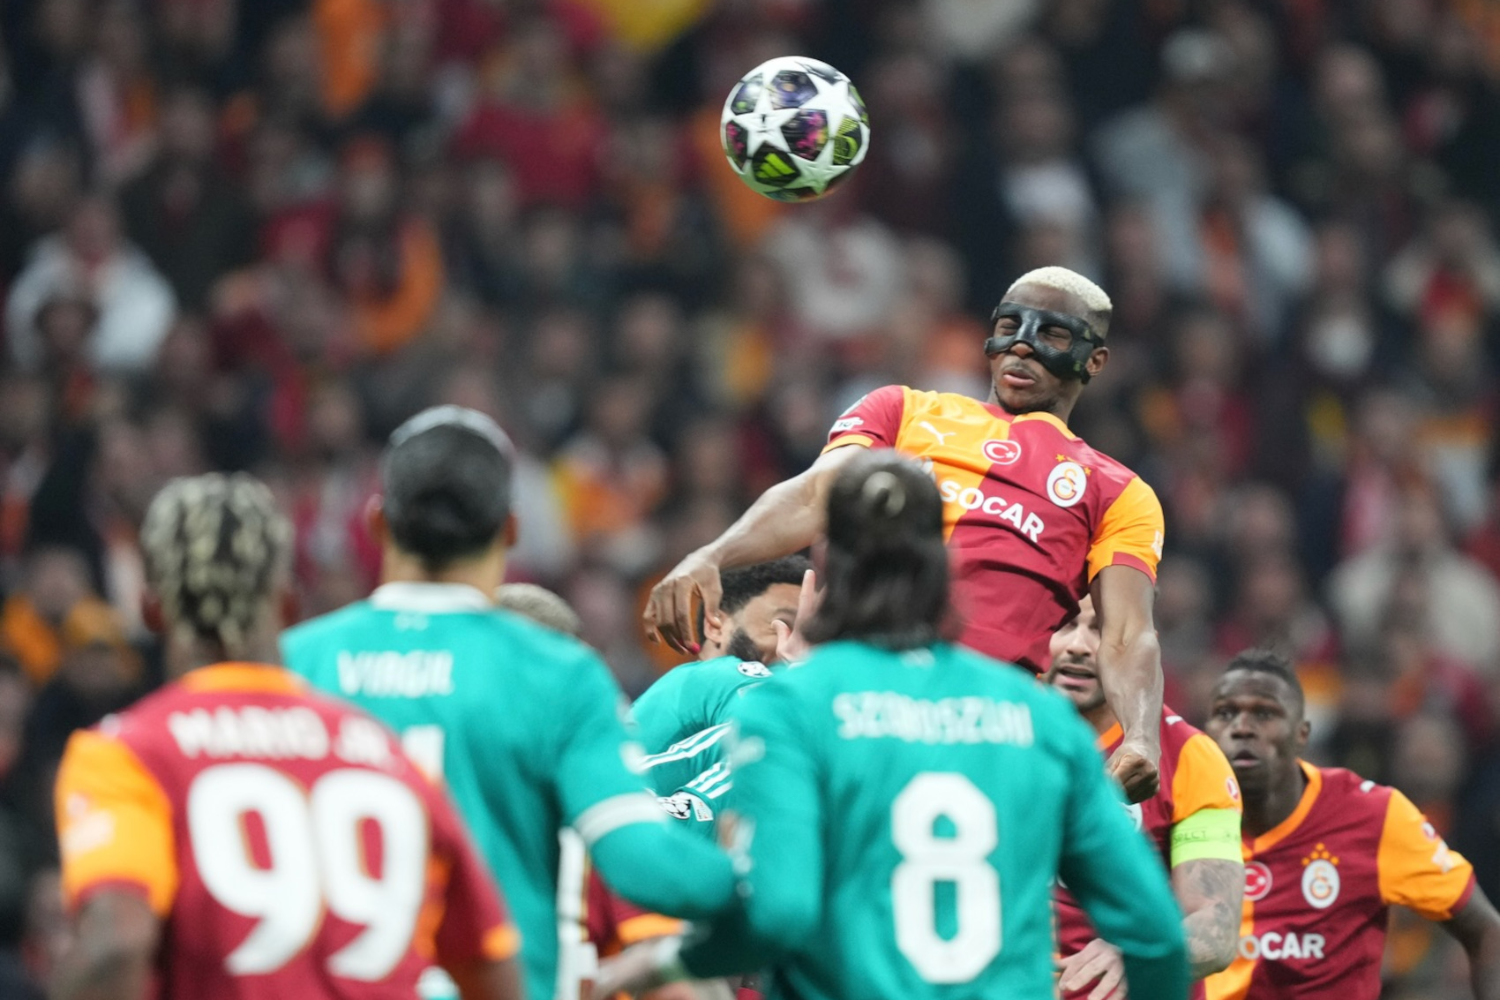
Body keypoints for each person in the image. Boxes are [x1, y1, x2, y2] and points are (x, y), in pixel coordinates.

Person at [600, 452, 1188, 1000]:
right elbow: (1156, 933)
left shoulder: (788, 706)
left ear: (827, 567)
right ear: (945, 567)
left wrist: (666, 962)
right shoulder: (1040, 719)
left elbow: (780, 913)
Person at [645, 266, 1166, 801]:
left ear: (1094, 360)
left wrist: (1142, 737)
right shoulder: (902, 411)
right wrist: (712, 555)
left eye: (1051, 334)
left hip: (972, 731)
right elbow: (813, 494)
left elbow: (1128, 633)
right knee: (704, 692)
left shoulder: (1117, 492)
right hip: (852, 694)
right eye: (1009, 326)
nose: (1022, 346)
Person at [281, 405, 736, 1000]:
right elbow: (641, 861)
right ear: (512, 529)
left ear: (377, 522)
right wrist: (758, 876)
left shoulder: (293, 664)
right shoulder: (557, 673)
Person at [51, 473, 523, 1000]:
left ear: (152, 609)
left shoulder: (128, 754)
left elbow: (116, 945)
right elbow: (492, 967)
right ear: (288, 604)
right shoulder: (388, 755)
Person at [1202, 650, 1500, 1000]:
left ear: (1302, 733)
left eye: (1265, 713)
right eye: (1225, 713)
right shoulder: (1182, 813)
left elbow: (1486, 931)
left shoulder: (1373, 816)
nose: (1241, 728)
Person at [1047, 595, 1243, 999]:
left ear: (1141, 644)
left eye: (1100, 629)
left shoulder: (1189, 756)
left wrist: (1136, 954)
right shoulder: (995, 731)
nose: (1078, 645)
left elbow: (1217, 929)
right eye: (1064, 624)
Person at [631, 555, 811, 825]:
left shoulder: (684, 687)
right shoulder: (722, 676)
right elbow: (779, 723)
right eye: (784, 624)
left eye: (811, 635)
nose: (798, 647)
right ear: (715, 624)